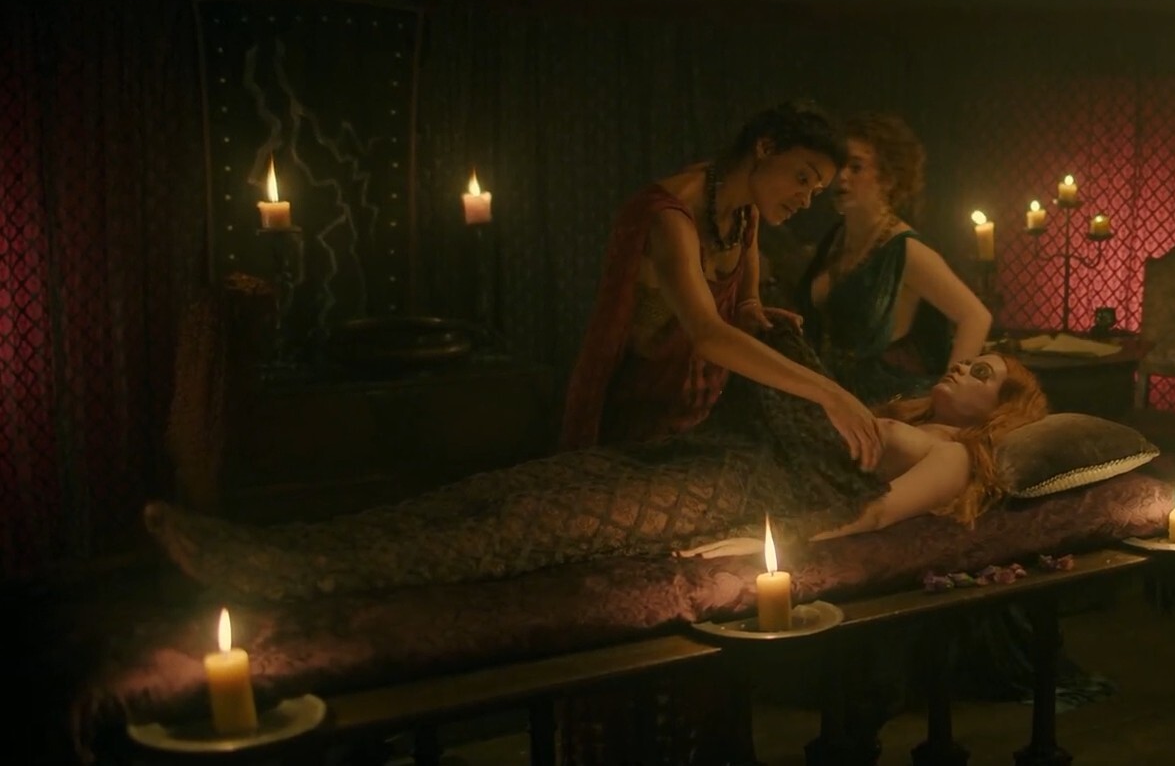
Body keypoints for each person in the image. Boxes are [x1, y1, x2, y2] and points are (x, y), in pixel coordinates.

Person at [140, 326, 1048, 603]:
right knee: (502, 488)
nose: (963, 370)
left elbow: (873, 517)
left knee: (520, 527)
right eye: (971, 360)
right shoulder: (894, 407)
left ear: (1001, 413)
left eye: (985, 376)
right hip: (714, 457)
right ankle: (281, 541)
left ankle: (286, 570)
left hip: (739, 492)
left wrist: (759, 546)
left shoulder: (956, 456)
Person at [559, 99, 880, 467]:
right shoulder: (670, 216)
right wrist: (829, 393)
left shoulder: (746, 212)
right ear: (765, 147)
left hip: (705, 413)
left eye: (815, 191)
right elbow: (707, 334)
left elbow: (745, 303)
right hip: (641, 423)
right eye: (802, 178)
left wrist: (754, 315)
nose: (805, 200)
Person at [798, 112, 992, 406]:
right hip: (826, 394)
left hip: (880, 402)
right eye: (838, 165)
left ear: (888, 178)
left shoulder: (906, 250)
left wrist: (946, 399)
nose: (842, 176)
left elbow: (975, 316)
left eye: (856, 167)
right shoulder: (834, 240)